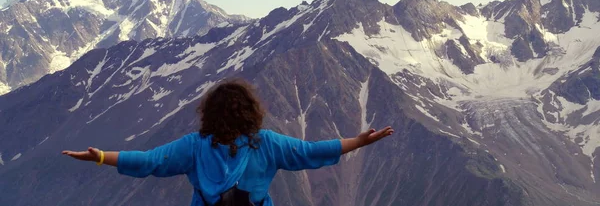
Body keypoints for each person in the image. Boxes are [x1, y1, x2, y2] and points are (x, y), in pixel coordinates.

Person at [62, 78, 394, 206]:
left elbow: (149, 162)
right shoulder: (266, 144)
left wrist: (103, 156)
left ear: (208, 114)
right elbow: (311, 152)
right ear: (251, 112)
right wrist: (359, 141)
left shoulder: (194, 147)